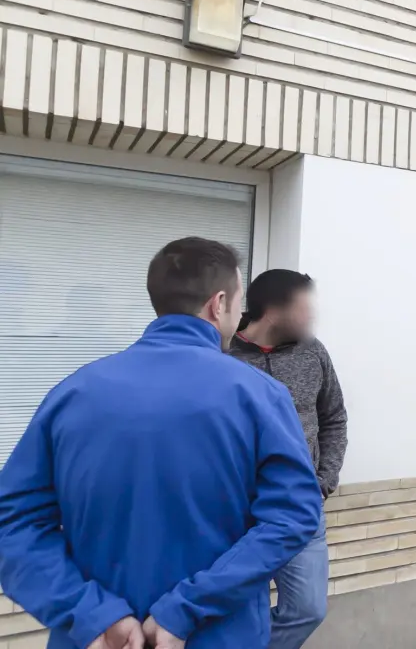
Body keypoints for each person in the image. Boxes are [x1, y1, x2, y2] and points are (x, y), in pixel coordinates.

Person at [0, 237, 322, 649]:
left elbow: (14, 524)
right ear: (219, 303)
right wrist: (184, 610)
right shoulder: (259, 395)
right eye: (239, 303)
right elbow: (292, 516)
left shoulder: (71, 394)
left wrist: (91, 614)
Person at [229, 269, 348, 649]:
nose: (311, 315)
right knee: (236, 610)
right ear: (273, 311)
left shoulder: (313, 352)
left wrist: (324, 480)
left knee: (308, 609)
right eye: (304, 307)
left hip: (300, 504)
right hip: (238, 510)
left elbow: (334, 417)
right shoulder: (222, 354)